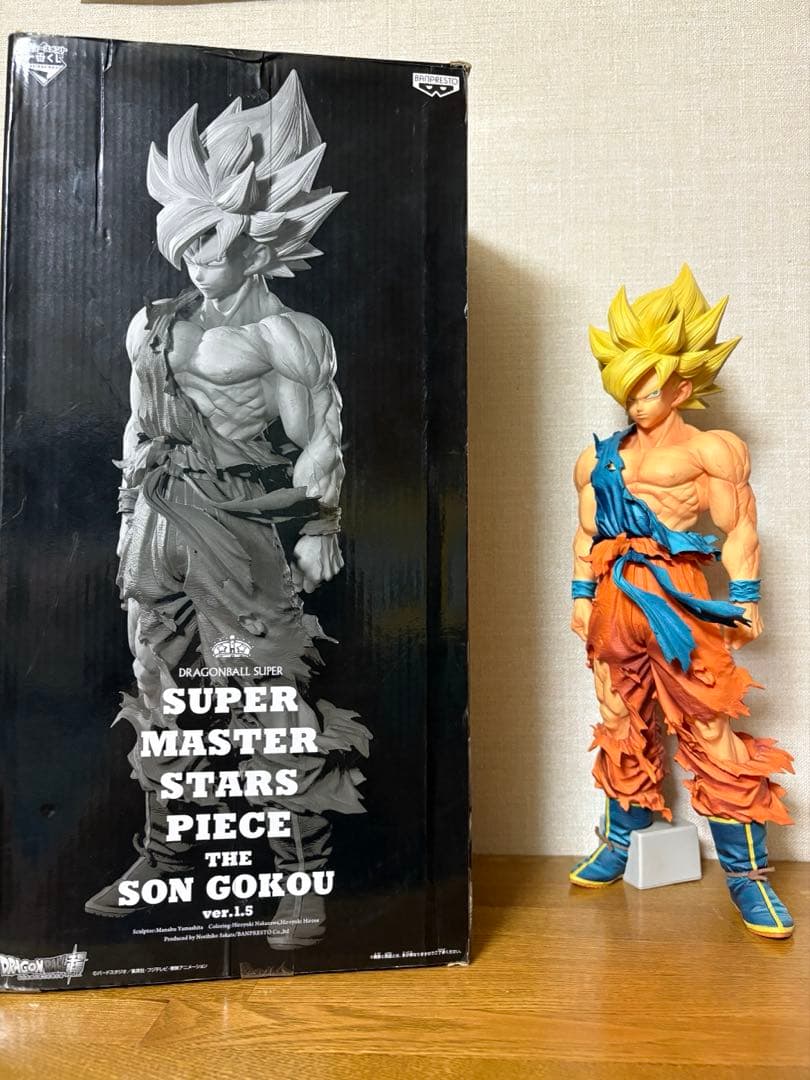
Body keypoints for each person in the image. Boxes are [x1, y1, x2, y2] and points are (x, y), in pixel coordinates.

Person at [85, 72, 371, 950]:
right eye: (184, 244)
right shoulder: (152, 324)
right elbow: (138, 427)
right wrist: (128, 522)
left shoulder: (289, 337)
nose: (193, 261)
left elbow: (321, 442)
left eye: (210, 239)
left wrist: (322, 525)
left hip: (239, 530)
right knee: (160, 693)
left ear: (258, 237)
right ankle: (165, 859)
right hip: (159, 523)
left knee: (267, 697)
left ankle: (298, 877)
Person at [568, 265, 794, 939]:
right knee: (619, 719)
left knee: (709, 724)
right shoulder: (598, 459)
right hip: (615, 597)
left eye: (649, 389)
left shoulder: (712, 450)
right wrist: (580, 596)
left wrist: (746, 595)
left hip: (680, 597)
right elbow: (585, 533)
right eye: (628, 391)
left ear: (682, 388)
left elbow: (739, 526)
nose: (637, 403)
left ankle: (748, 876)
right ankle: (619, 841)